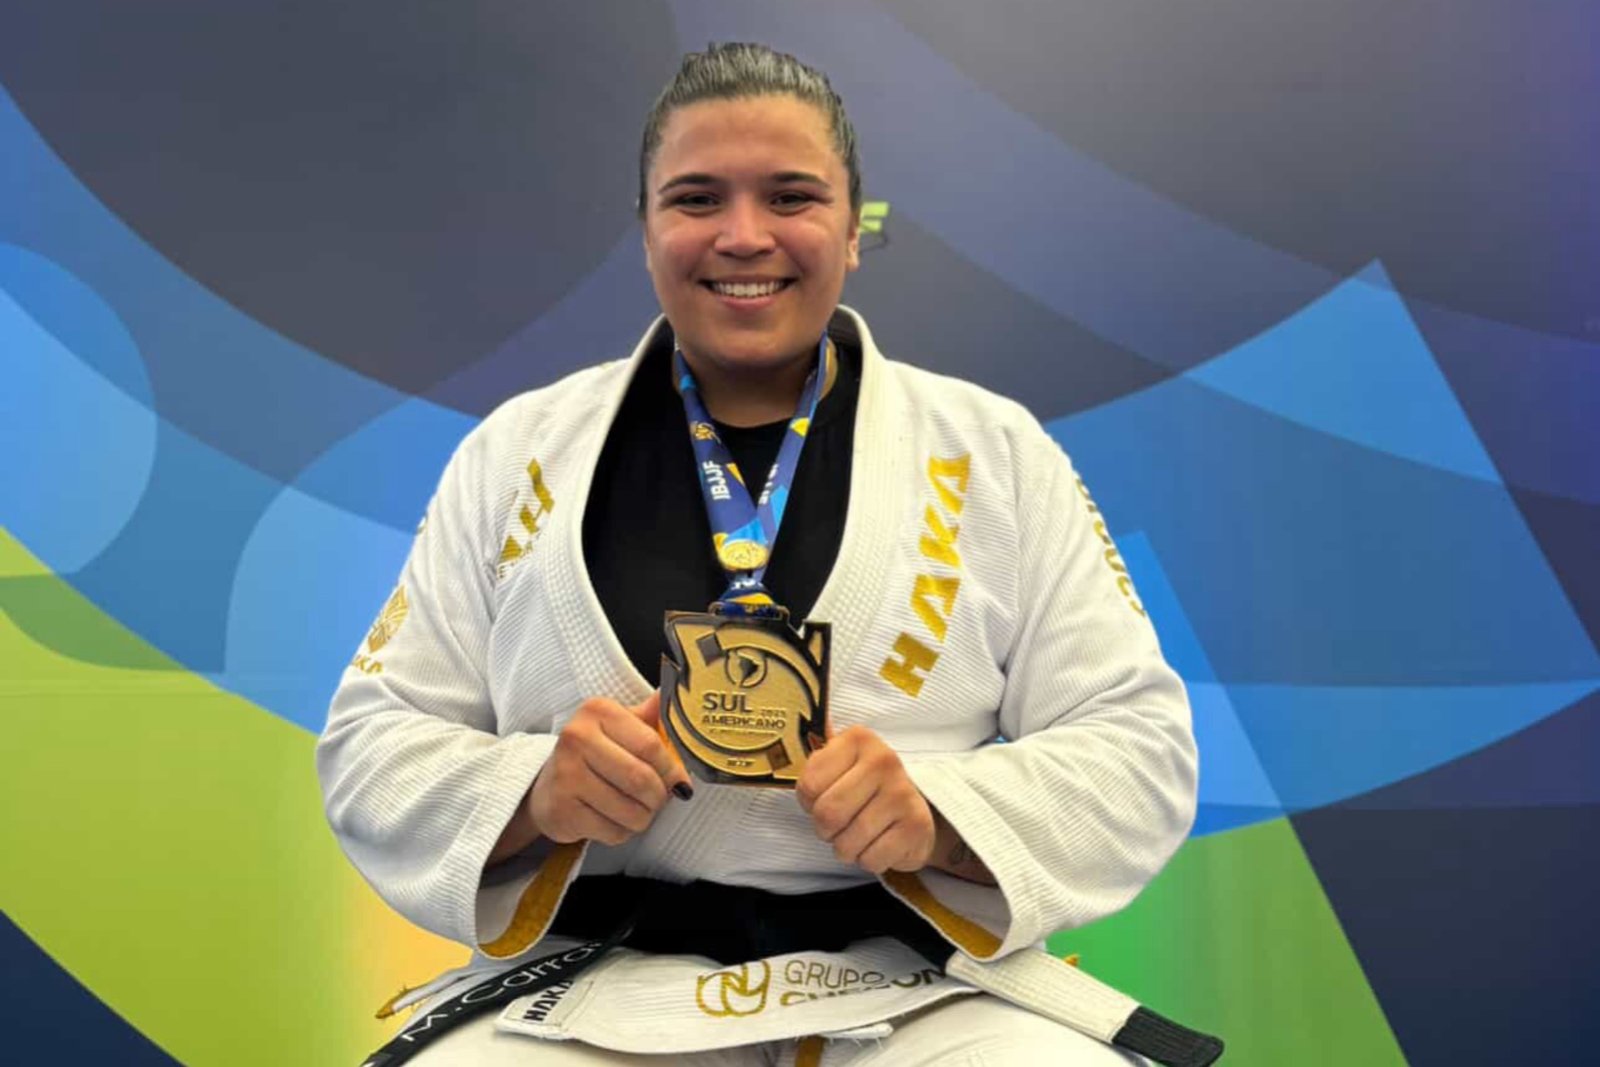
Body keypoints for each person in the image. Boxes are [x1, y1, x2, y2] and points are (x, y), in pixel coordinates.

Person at [318, 42, 1199, 1067]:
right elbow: (371, 745)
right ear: (647, 230)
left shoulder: (991, 451)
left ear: (853, 227)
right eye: (696, 198)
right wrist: (534, 793)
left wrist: (941, 816)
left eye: (791, 196)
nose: (743, 235)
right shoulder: (517, 452)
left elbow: (1139, 747)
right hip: (592, 984)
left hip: (919, 989)